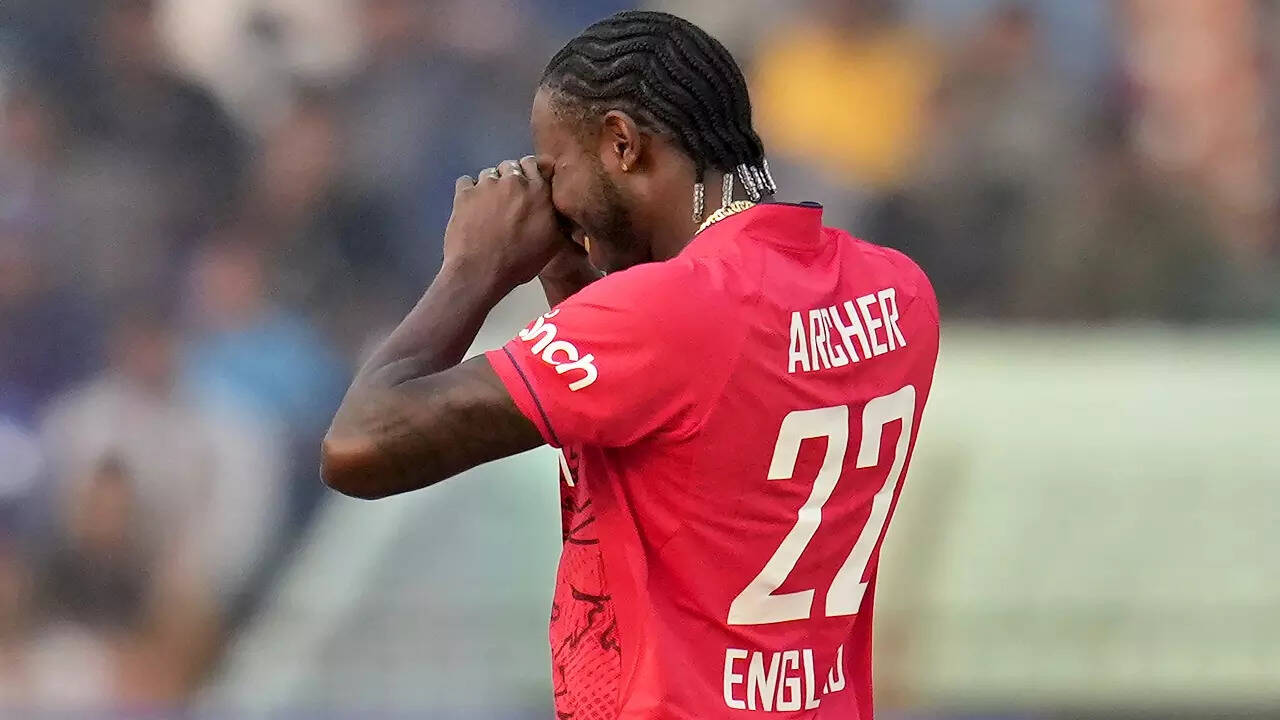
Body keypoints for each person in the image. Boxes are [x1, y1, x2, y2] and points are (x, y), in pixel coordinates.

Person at [322, 11, 940, 719]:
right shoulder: (898, 290)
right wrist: (568, 270)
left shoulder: (671, 313)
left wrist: (472, 267)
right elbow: (666, 419)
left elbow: (357, 446)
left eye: (555, 170)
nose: (552, 201)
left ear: (622, 144)